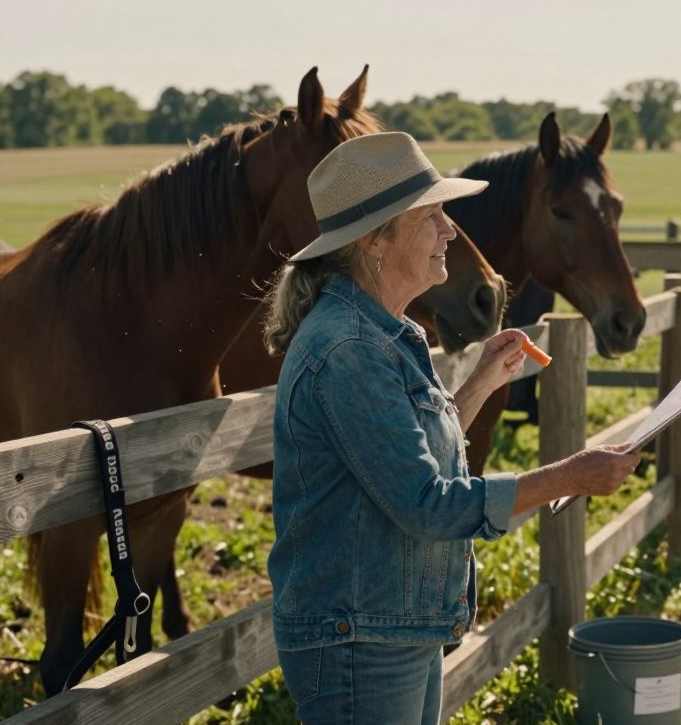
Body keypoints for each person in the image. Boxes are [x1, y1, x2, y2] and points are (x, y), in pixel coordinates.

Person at [263, 132, 639, 724]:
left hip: (389, 624)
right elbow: (426, 503)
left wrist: (480, 382)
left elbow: (407, 459)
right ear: (376, 240)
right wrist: (572, 475)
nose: (451, 232)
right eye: (434, 216)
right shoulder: (350, 350)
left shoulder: (391, 331)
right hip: (359, 638)